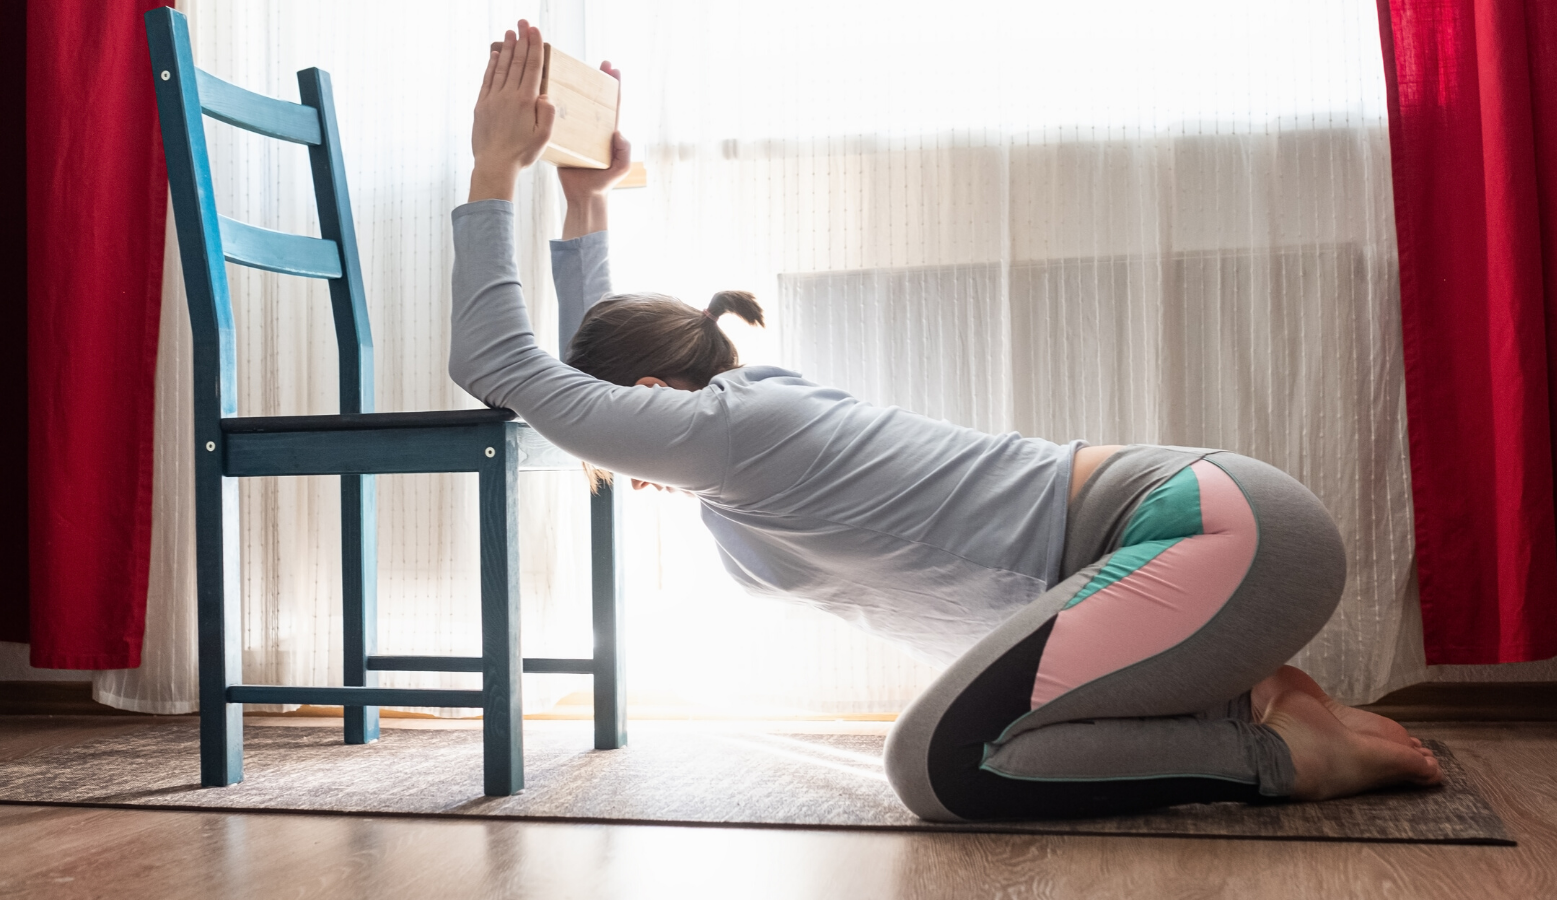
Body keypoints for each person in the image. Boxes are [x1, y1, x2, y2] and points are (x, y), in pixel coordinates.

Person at [453, 21, 1442, 821]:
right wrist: (584, 199)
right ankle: (1264, 700)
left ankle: (1274, 754)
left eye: (615, 423)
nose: (612, 455)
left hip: (1213, 532)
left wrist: (493, 167)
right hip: (1193, 554)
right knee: (990, 746)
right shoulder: (726, 443)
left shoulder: (728, 426)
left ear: (657, 402)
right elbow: (596, 356)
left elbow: (496, 362)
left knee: (942, 767)